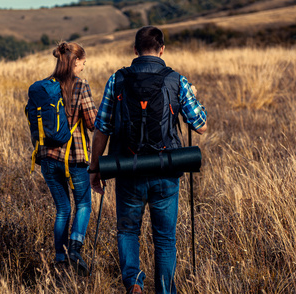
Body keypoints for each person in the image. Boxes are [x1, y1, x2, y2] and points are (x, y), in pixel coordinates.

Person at [88, 26, 207, 294]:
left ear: (135, 50)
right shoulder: (177, 80)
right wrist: (193, 97)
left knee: (128, 232)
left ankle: (134, 284)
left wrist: (94, 169)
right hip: (166, 170)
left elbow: (102, 128)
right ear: (162, 49)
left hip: (127, 169)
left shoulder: (117, 80)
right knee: (165, 239)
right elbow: (200, 124)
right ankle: (164, 290)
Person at [36, 41, 97, 276]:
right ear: (74, 62)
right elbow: (93, 124)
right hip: (75, 158)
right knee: (83, 205)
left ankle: (60, 259)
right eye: (82, 62)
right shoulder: (80, 86)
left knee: (62, 209)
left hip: (48, 158)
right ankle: (75, 249)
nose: (84, 65)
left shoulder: (45, 87)